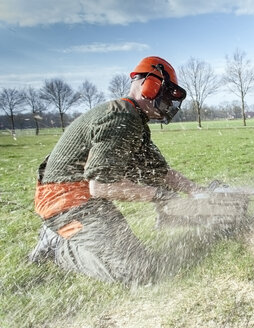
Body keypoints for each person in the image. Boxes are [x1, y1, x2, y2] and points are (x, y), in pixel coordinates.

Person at [29, 56, 201, 285]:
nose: (168, 103)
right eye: (167, 94)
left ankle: (67, 235)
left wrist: (197, 192)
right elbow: (101, 186)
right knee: (141, 273)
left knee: (136, 257)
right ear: (149, 85)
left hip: (84, 198)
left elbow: (160, 172)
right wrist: (160, 196)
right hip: (65, 202)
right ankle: (58, 245)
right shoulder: (122, 117)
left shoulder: (133, 119)